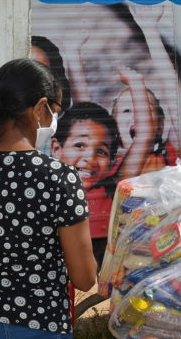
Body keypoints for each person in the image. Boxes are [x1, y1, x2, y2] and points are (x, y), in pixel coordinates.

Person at [0, 58, 97, 338]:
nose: (54, 119)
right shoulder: (58, 179)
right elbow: (84, 278)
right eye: (54, 110)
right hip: (37, 326)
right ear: (39, 108)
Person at [51, 101, 120, 264]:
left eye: (101, 151)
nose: (90, 157)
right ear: (56, 149)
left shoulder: (114, 197)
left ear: (111, 162)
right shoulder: (48, 195)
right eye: (80, 145)